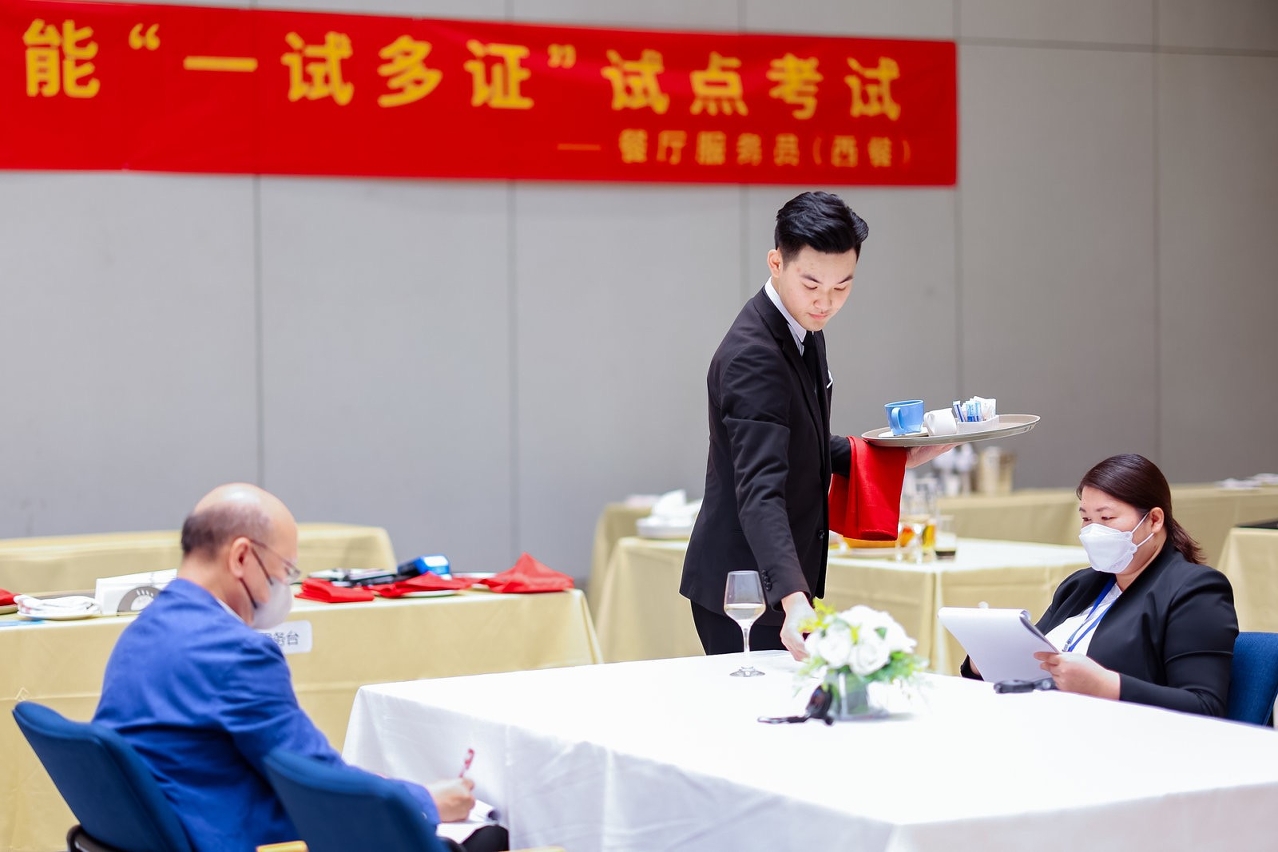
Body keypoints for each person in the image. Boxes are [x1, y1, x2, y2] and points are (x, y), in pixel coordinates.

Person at [93, 483, 506, 852]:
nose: (286, 586)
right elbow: (319, 784)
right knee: (487, 839)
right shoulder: (236, 653)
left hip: (171, 827)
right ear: (241, 557)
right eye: (286, 570)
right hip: (233, 834)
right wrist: (425, 801)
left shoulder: (141, 632)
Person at [680, 191, 947, 661]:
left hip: (771, 580)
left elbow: (800, 440)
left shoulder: (800, 325)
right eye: (812, 284)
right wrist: (792, 599)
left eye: (842, 287)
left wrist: (894, 454)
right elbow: (759, 489)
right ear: (776, 263)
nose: (826, 302)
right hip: (744, 592)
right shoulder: (754, 356)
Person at [962, 454, 1238, 716]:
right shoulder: (1080, 585)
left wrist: (1108, 687)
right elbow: (1034, 659)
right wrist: (986, 661)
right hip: (1041, 719)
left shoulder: (1194, 590)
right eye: (1086, 518)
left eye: (1106, 518)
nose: (1094, 531)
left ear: (1154, 520)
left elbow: (1205, 707)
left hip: (1126, 737)